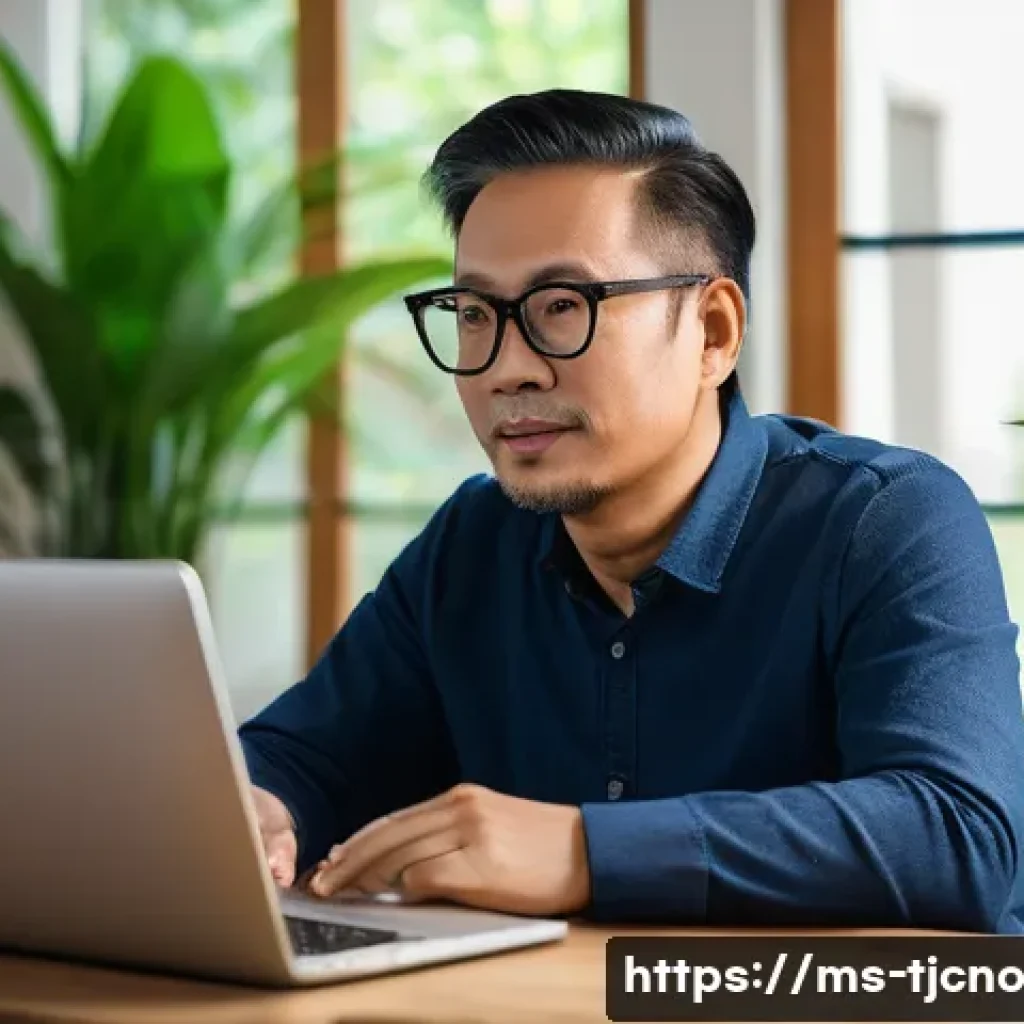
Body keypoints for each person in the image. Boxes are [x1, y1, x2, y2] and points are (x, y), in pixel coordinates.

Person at [238, 89, 1024, 931]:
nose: (508, 368)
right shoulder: (474, 540)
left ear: (714, 333)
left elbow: (957, 835)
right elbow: (300, 757)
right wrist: (262, 807)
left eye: (561, 309)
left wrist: (582, 852)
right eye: (474, 314)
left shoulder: (886, 520)